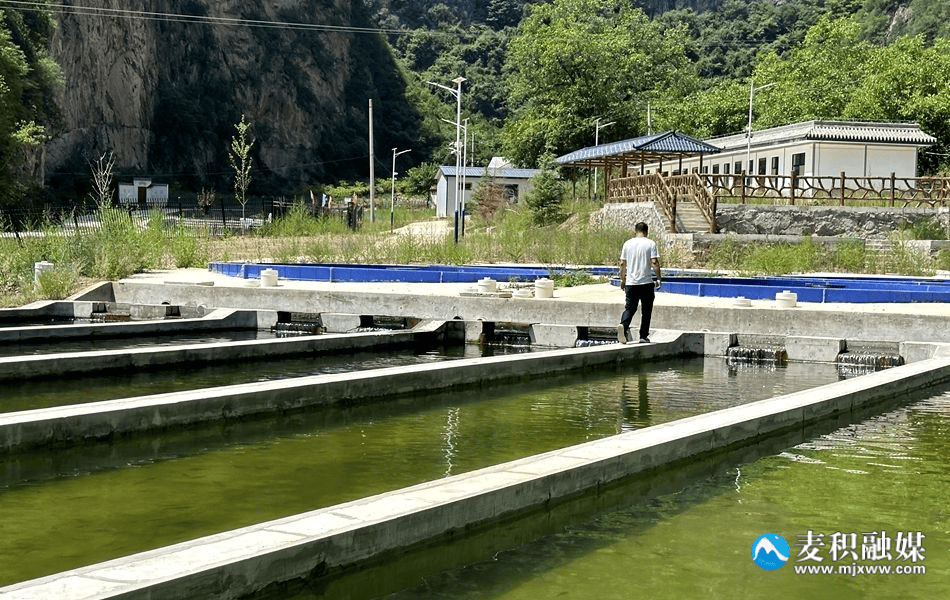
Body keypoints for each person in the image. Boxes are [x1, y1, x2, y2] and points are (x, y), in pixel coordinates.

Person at [618, 221, 661, 344]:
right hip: (646, 282)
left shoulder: (627, 244)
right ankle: (643, 336)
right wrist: (658, 277)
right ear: (647, 232)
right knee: (646, 310)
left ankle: (623, 325)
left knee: (630, 308)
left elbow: (622, 264)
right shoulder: (650, 243)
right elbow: (654, 262)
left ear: (635, 231)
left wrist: (623, 279)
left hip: (631, 283)